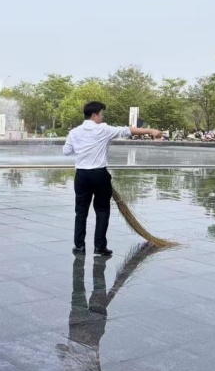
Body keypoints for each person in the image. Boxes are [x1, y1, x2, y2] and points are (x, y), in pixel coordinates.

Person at [63, 101, 161, 256]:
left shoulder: (74, 132)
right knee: (102, 210)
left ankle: (79, 246)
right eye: (101, 114)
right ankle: (100, 246)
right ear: (94, 115)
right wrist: (151, 130)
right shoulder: (104, 130)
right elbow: (128, 131)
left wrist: (83, 148)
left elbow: (66, 151)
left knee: (81, 211)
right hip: (99, 175)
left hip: (82, 175)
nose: (102, 117)